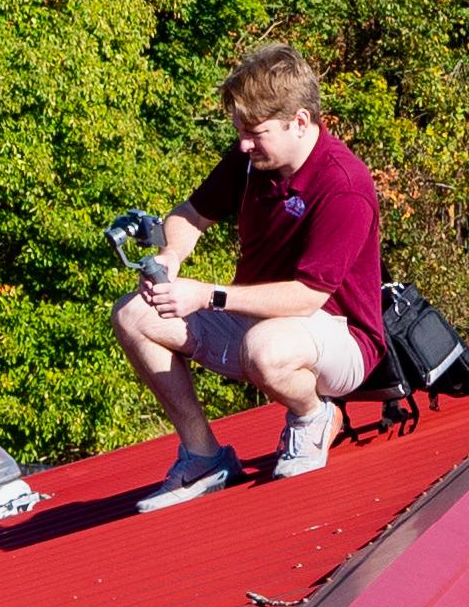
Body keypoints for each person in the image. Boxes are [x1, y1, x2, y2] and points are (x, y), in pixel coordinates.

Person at [110, 42, 387, 513]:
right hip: (259, 324)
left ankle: (313, 417)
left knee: (266, 348)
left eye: (255, 133)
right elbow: (190, 214)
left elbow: (306, 297)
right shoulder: (250, 163)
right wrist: (172, 254)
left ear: (300, 122)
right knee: (134, 315)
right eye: (240, 131)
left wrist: (207, 296)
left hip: (342, 337)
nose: (243, 144)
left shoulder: (344, 184)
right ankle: (202, 458)